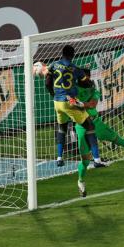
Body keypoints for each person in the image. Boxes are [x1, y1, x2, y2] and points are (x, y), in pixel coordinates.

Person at [69, 65, 124, 164]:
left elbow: (92, 105)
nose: (82, 78)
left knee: (117, 140)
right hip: (80, 124)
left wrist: (80, 104)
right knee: (83, 150)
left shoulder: (93, 89)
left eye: (85, 77)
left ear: (89, 77)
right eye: (81, 76)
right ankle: (94, 164)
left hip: (95, 123)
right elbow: (71, 101)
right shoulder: (73, 89)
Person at [44, 45, 95, 197]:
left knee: (62, 127)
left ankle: (59, 158)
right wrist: (86, 82)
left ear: (62, 54)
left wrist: (52, 93)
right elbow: (86, 83)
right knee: (89, 124)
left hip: (57, 102)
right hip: (69, 102)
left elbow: (47, 81)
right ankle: (97, 158)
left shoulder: (54, 65)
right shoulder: (75, 68)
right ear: (73, 55)